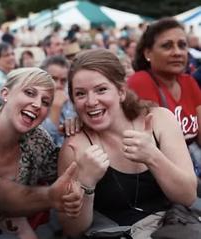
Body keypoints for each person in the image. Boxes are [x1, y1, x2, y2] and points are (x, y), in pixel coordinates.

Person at [57, 48, 197, 238]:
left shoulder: (159, 120)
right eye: (81, 94)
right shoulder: (75, 147)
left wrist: (152, 156)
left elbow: (187, 196)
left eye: (101, 89)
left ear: (121, 91)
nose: (91, 101)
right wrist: (87, 183)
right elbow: (72, 229)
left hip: (177, 227)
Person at [0, 67, 84, 239]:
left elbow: (65, 178)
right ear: (5, 94)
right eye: (30, 93)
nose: (38, 104)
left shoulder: (39, 141)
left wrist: (80, 129)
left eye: (46, 102)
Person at [127, 17, 201, 176]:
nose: (177, 52)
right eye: (167, 46)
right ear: (148, 53)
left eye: (182, 45)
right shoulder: (141, 81)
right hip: (165, 175)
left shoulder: (189, 82)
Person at [40, 55, 76, 147]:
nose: (58, 85)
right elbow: (42, 143)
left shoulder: (71, 102)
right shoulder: (34, 104)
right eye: (53, 79)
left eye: (63, 81)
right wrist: (56, 108)